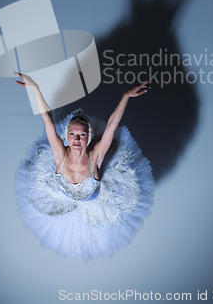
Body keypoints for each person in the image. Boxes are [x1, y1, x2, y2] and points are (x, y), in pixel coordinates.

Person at [14, 72, 154, 262]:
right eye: (72, 134)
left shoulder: (95, 156)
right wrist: (35, 89)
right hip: (64, 196)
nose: (76, 139)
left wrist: (126, 96)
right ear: (67, 135)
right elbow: (47, 118)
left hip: (94, 200)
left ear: (88, 137)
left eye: (81, 135)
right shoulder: (59, 155)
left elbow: (112, 126)